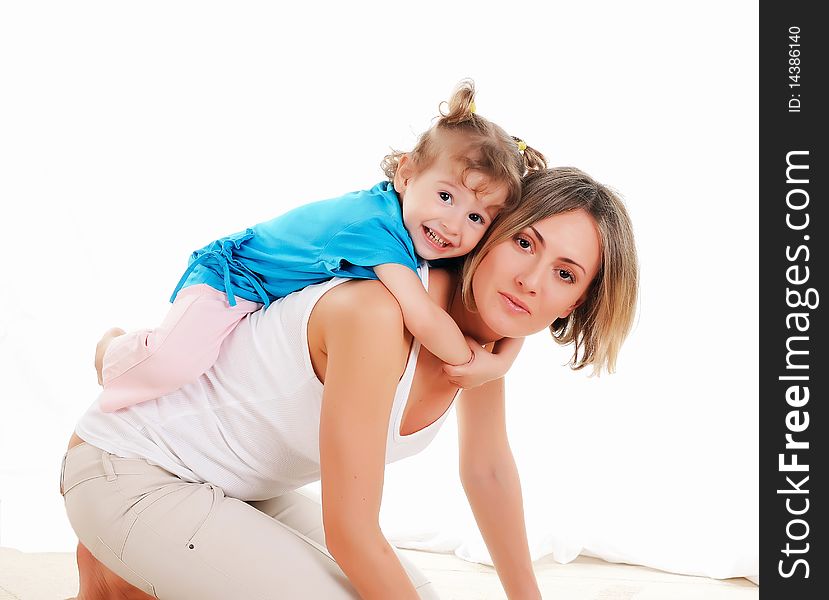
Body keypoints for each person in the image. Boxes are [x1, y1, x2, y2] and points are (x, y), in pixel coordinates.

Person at [61, 166, 639, 599]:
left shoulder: (478, 342)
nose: (532, 280)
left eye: (565, 274)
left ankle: (126, 574)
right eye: (524, 242)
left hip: (240, 488)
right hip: (130, 470)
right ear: (491, 231)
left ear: (578, 302)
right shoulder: (379, 314)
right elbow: (352, 533)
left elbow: (487, 472)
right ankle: (118, 563)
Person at [96, 80, 546, 412]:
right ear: (407, 175)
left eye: (475, 217)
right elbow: (424, 317)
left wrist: (504, 361)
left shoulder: (425, 229)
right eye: (446, 196)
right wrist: (479, 365)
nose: (453, 224)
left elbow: (495, 305)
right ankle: (113, 350)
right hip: (232, 276)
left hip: (271, 298)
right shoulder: (375, 229)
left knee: (214, 380)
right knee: (174, 363)